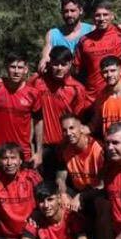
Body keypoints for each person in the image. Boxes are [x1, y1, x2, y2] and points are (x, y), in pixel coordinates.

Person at [33, 46, 90, 180]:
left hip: (66, 145)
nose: (59, 68)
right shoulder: (38, 82)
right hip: (42, 145)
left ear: (70, 64)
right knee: (44, 190)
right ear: (50, 63)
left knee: (63, 188)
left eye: (63, 64)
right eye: (55, 64)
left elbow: (78, 119)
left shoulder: (77, 89)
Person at [0, 54, 41, 168]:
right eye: (13, 67)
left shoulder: (33, 93)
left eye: (20, 67)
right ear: (6, 68)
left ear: (26, 69)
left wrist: (39, 152)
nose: (16, 71)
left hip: (22, 153)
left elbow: (38, 123)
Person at [74, 1, 121, 96]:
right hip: (94, 95)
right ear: (93, 17)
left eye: (105, 15)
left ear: (112, 16)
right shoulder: (84, 41)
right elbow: (77, 70)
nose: (102, 19)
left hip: (118, 94)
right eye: (98, 15)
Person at [89, 57, 121, 142]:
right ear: (101, 74)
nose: (109, 75)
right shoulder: (101, 98)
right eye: (105, 72)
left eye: (113, 71)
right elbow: (95, 124)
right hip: (112, 150)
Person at [38, 0, 93, 72]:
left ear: (80, 11)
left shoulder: (91, 30)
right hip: (60, 79)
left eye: (72, 11)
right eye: (66, 11)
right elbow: (46, 57)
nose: (69, 14)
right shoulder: (53, 34)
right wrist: (44, 61)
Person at [60, 114, 104, 193]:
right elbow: (61, 171)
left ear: (82, 128)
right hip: (79, 192)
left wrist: (82, 197)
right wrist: (61, 185)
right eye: (64, 130)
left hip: (98, 193)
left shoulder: (98, 149)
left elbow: (103, 184)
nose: (68, 133)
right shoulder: (65, 150)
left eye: (71, 128)